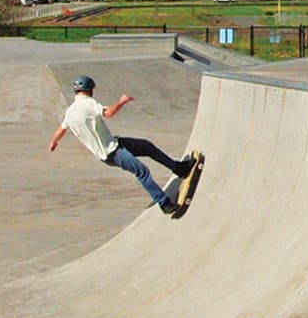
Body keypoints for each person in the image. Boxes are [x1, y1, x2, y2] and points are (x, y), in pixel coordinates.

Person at [49, 75, 199, 215]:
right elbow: (108, 113)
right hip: (112, 152)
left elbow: (61, 130)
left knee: (146, 146)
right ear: (90, 89)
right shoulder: (88, 103)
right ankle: (164, 203)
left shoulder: (70, 112)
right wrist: (122, 102)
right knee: (142, 171)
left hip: (114, 145)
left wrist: (54, 141)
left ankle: (178, 168)